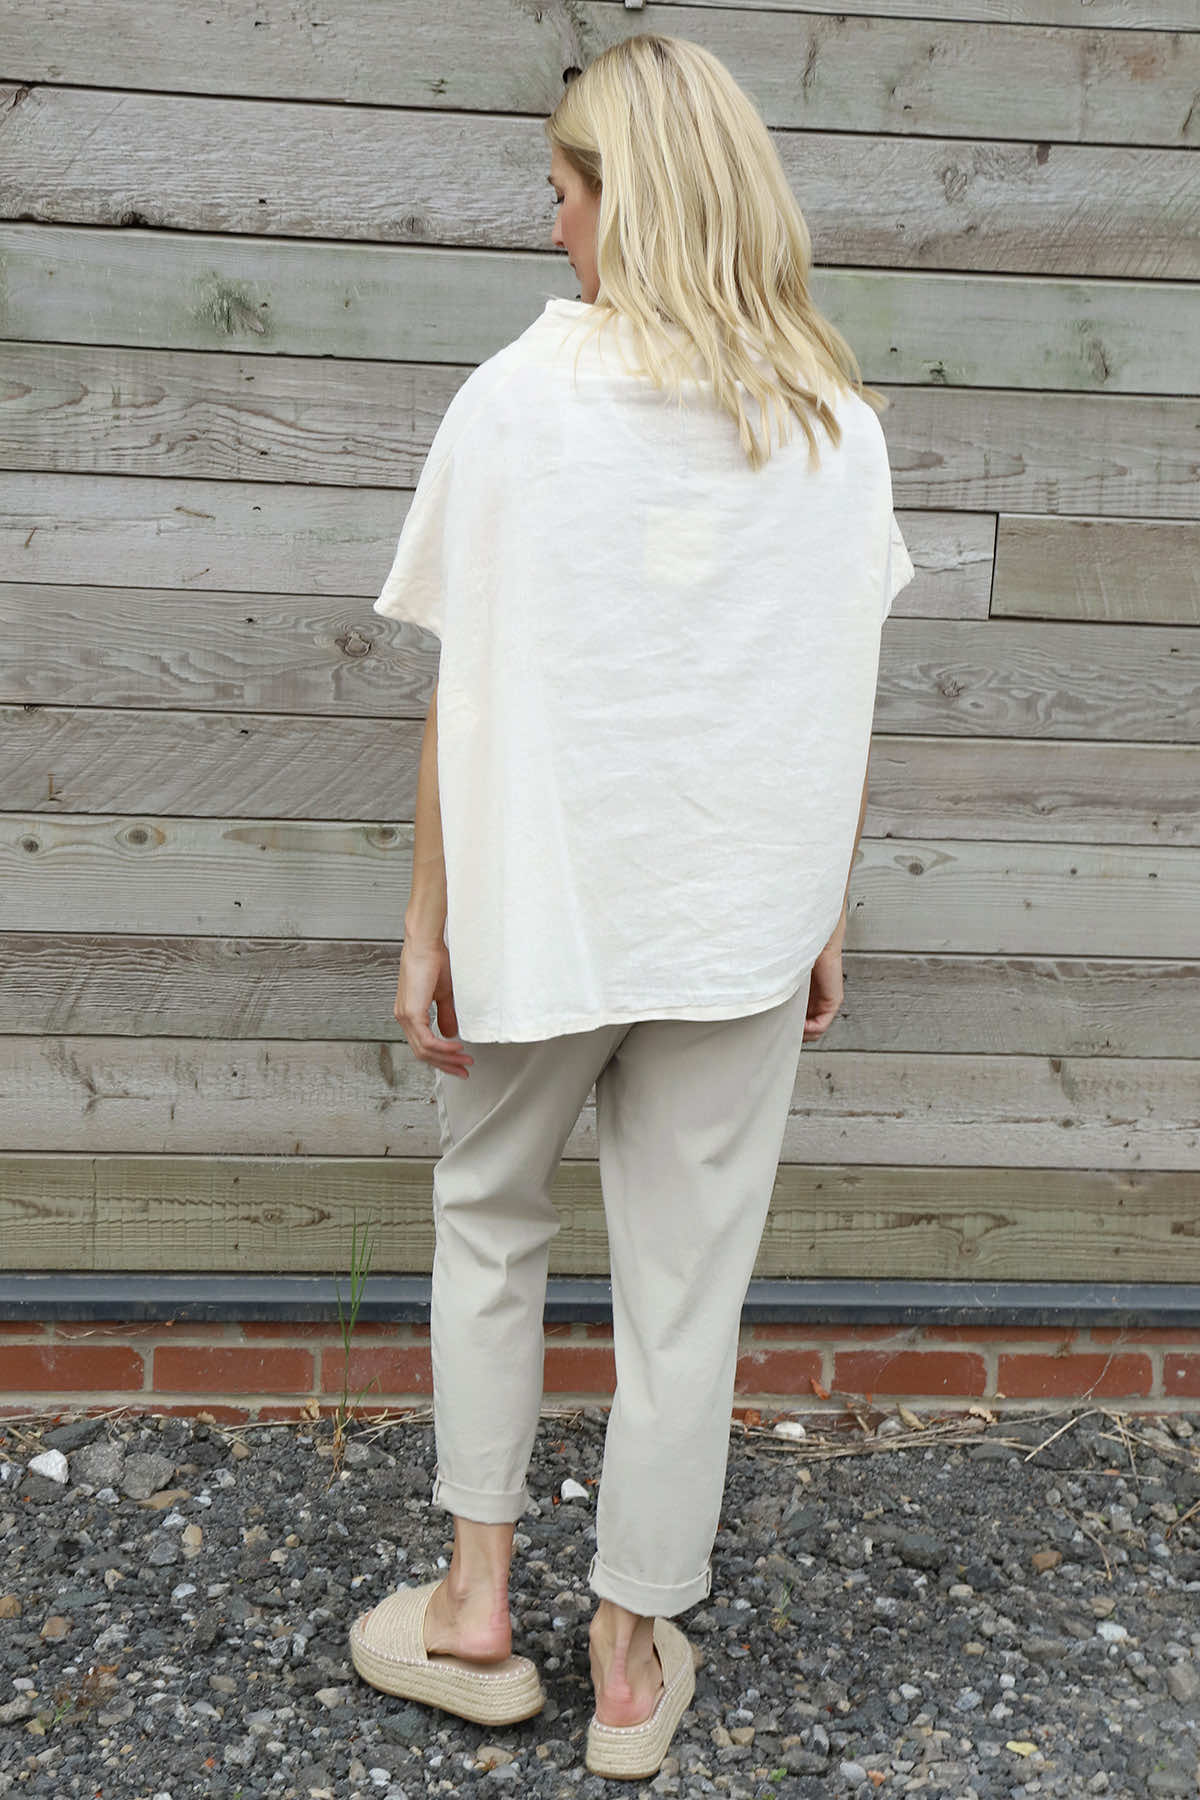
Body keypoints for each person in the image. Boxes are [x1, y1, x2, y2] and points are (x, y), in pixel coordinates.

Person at [348, 30, 915, 1780]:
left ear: (630, 199)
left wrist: (430, 917)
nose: (552, 227)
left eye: (564, 191)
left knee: (490, 1218)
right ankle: (622, 1660)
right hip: (739, 916)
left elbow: (468, 687)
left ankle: (473, 1611)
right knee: (687, 1287)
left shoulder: (518, 403)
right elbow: (836, 687)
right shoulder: (834, 424)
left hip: (548, 903)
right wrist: (823, 910)